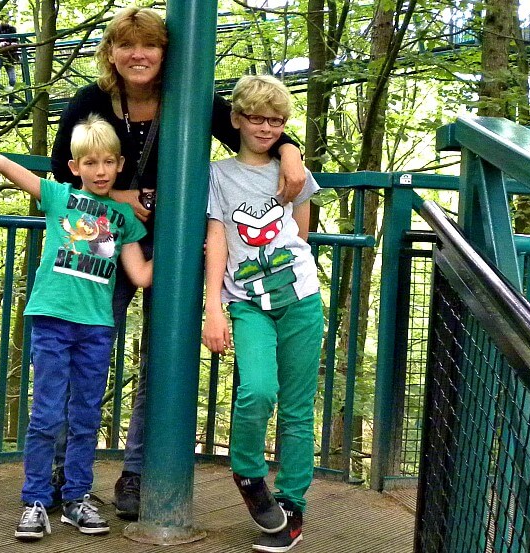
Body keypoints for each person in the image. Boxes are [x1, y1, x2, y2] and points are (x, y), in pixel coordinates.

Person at [49, 6, 308, 522]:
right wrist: (122, 195)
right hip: (102, 232)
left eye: (149, 46)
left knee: (162, 358)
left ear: (166, 54)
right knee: (86, 347)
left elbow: (252, 132)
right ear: (112, 53)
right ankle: (63, 472)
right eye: (126, 46)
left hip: (174, 239)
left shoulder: (188, 97)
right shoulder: (91, 101)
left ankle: (137, 473)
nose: (137, 55)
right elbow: (61, 170)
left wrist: (292, 151)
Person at [0, 116, 153, 541]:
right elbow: (4, 165)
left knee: (85, 415)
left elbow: (141, 274)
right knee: (46, 414)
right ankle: (37, 499)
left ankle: (77, 497)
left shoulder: (122, 218)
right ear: (76, 167)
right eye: (91, 163)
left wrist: (192, 243)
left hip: (96, 327)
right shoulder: (59, 196)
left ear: (119, 165)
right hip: (52, 320)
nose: (100, 171)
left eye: (109, 163)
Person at [201, 75, 323, 553]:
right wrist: (214, 306)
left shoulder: (295, 173)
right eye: (257, 118)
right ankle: (248, 472)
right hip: (246, 302)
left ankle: (292, 506)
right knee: (256, 389)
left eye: (277, 121)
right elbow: (216, 241)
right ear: (236, 120)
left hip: (301, 299)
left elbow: (300, 235)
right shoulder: (218, 174)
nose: (267, 128)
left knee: (296, 409)